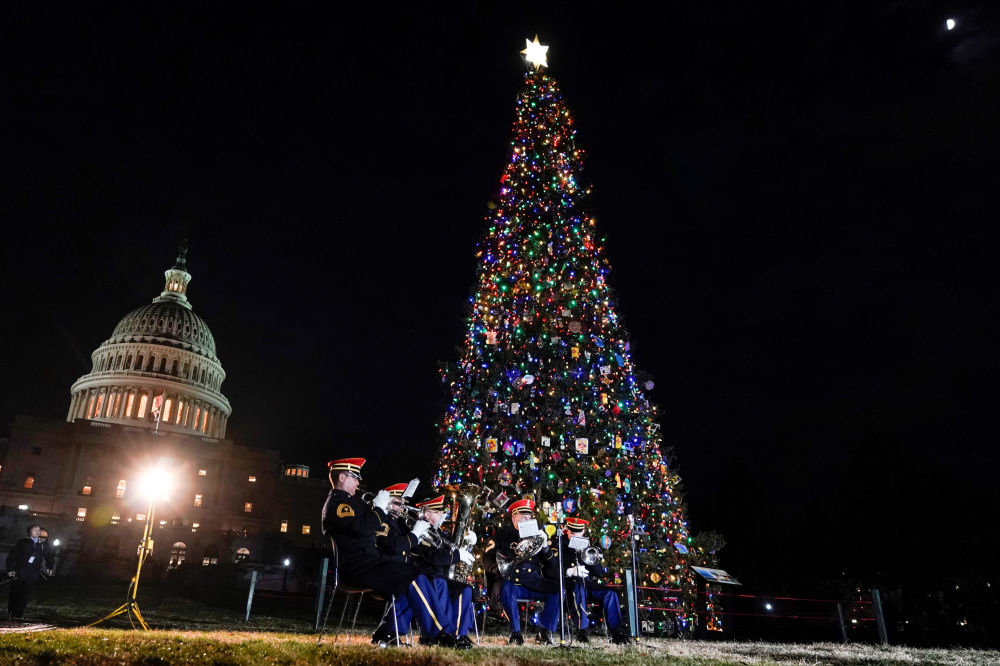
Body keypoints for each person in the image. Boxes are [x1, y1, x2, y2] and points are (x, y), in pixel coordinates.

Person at [321, 459, 453, 645]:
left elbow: (367, 526)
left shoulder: (351, 503)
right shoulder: (338, 503)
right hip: (356, 568)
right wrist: (379, 509)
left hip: (368, 565)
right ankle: (438, 634)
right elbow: (362, 528)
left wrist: (379, 510)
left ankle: (389, 634)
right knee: (411, 576)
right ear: (342, 477)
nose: (359, 483)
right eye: (355, 477)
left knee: (413, 576)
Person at [493, 498, 562, 644]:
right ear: (514, 518)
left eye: (529, 517)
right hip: (515, 581)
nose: (527, 519)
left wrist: (545, 547)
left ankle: (544, 630)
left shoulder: (538, 534)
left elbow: (552, 566)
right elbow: (491, 558)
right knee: (507, 590)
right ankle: (516, 633)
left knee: (558, 590)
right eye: (523, 517)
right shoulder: (504, 534)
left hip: (535, 581)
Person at [412, 494, 477, 649]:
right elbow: (434, 557)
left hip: (439, 576)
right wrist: (457, 555)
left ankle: (458, 634)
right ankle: (438, 634)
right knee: (441, 583)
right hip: (427, 577)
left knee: (466, 590)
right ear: (427, 514)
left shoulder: (437, 532)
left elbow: (450, 549)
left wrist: (466, 543)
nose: (443, 515)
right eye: (438, 512)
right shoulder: (421, 530)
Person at [554, 517, 631, 644]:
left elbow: (599, 573)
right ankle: (582, 630)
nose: (573, 535)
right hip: (569, 586)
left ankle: (617, 633)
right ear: (567, 531)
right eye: (571, 532)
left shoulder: (587, 545)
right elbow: (554, 569)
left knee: (610, 593)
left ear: (583, 532)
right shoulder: (560, 544)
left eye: (576, 533)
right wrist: (571, 570)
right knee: (578, 590)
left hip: (587, 585)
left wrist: (589, 554)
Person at [5, 524, 54, 621]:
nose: (37, 531)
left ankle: (18, 614)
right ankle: (11, 612)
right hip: (19, 572)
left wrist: (49, 566)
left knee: (25, 594)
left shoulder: (43, 544)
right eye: (34, 529)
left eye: (38, 530)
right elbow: (11, 556)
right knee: (15, 593)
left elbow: (49, 556)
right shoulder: (23, 542)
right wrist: (10, 569)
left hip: (32, 574)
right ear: (29, 532)